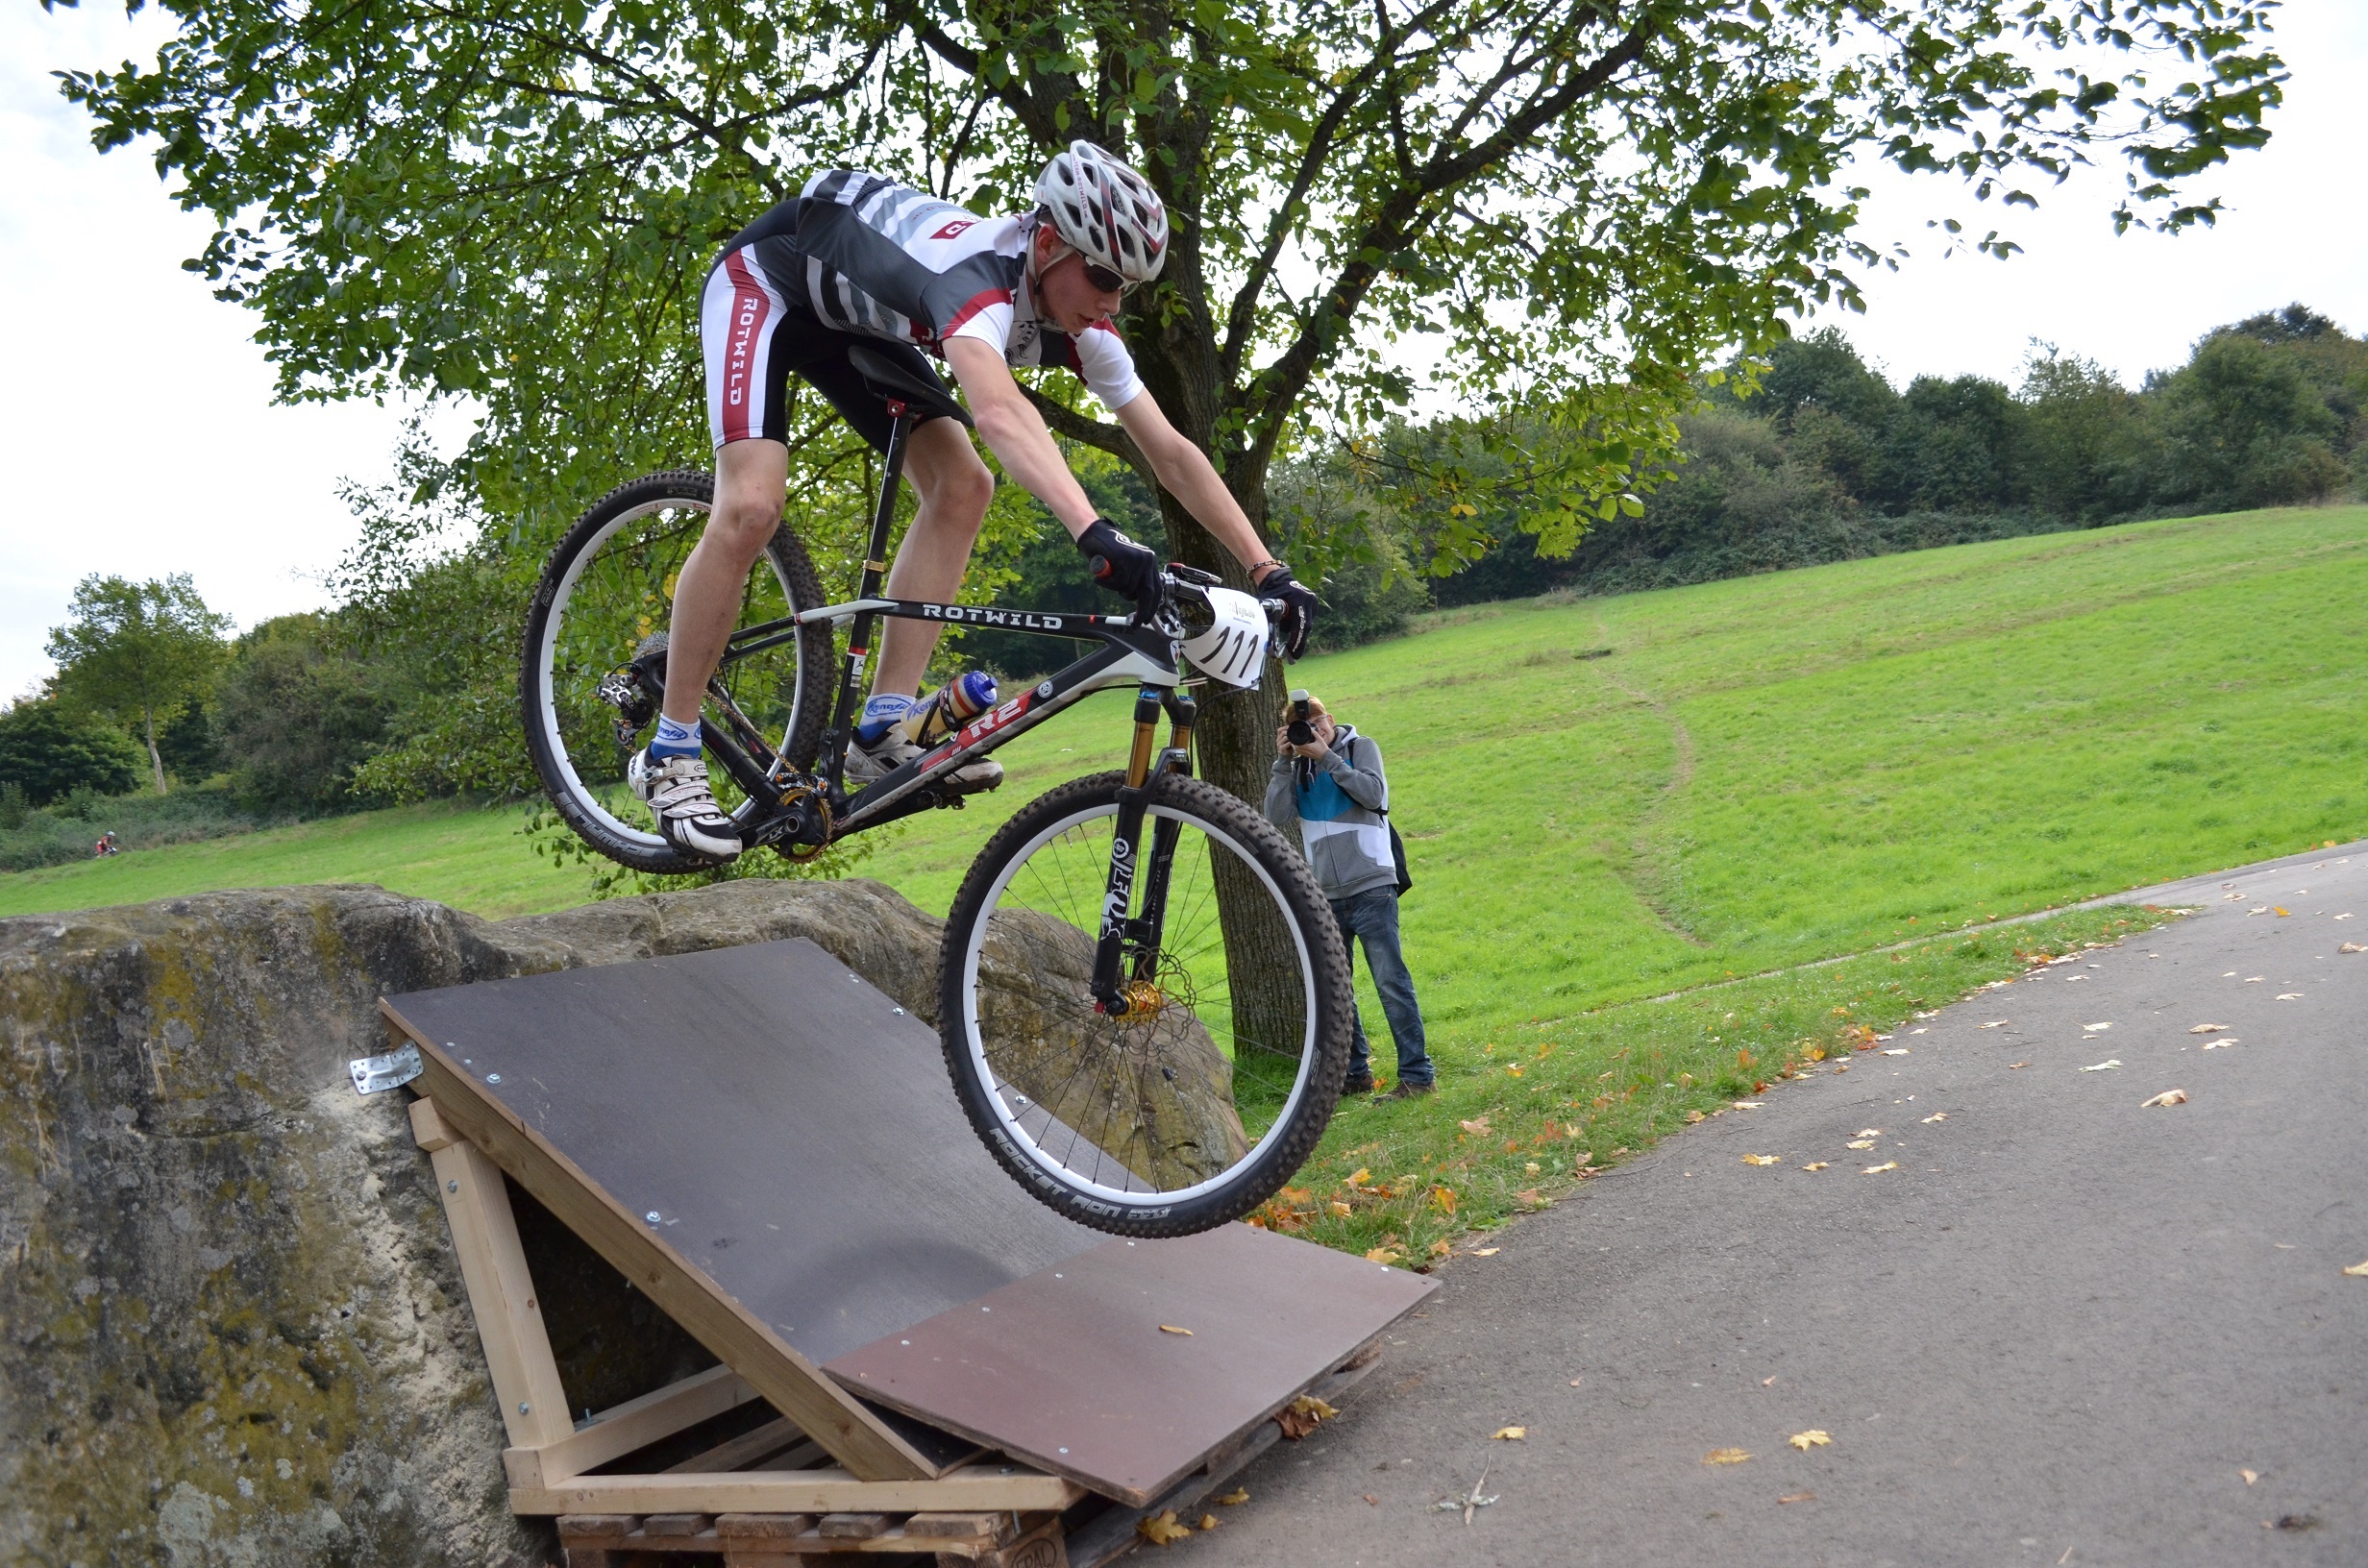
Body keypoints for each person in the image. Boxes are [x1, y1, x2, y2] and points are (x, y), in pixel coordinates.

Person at [631, 143, 1320, 860]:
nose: (1114, 302)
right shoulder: (979, 285)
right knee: (751, 506)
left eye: (1128, 288)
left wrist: (1265, 568)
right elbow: (996, 411)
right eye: (1105, 276)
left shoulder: (1084, 325)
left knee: (964, 487)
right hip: (768, 282)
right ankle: (671, 749)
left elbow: (1171, 450)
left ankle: (881, 730)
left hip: (856, 323)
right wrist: (1094, 531)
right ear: (1049, 244)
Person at [1264, 696, 1434, 1099]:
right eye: (1302, 727)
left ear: (1330, 719)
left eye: (1317, 723)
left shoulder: (1361, 747)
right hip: (1325, 895)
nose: (1314, 731)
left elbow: (1375, 796)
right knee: (1336, 989)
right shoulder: (1296, 766)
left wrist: (1328, 758)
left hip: (1372, 886)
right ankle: (1355, 1074)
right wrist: (1284, 761)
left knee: (1391, 982)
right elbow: (1274, 817)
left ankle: (1417, 1076)